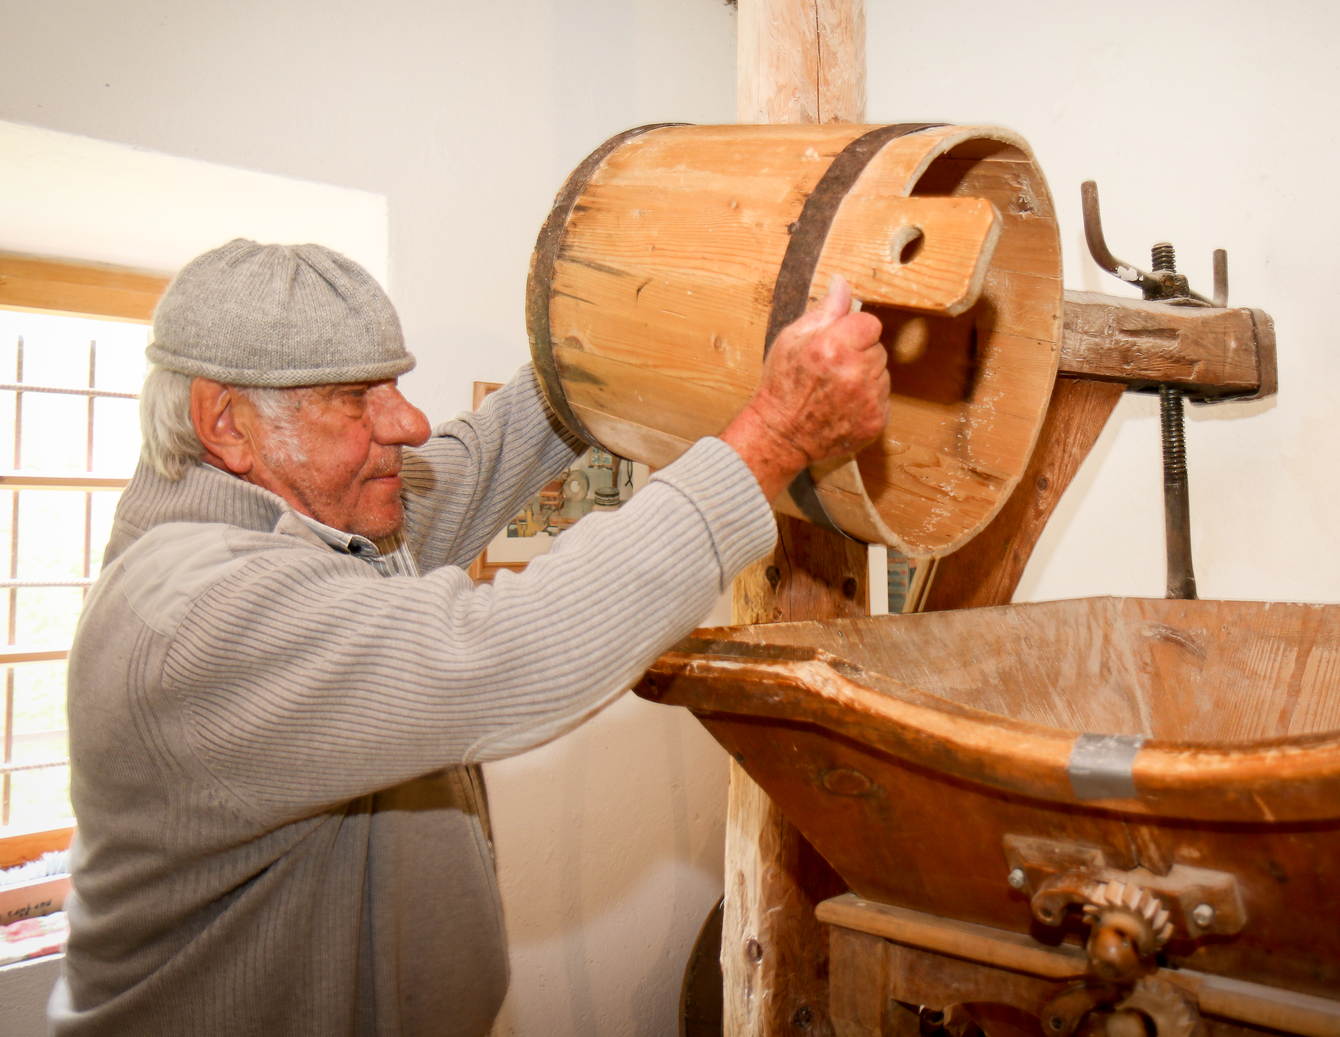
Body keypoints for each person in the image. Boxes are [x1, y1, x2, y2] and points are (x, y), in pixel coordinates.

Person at [49, 239, 888, 1036]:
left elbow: (482, 454)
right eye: (356, 399)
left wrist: (617, 326)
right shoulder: (192, 612)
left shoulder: (329, 521)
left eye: (393, 386)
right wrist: (774, 439)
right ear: (226, 424)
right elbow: (503, 648)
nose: (410, 422)